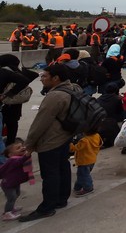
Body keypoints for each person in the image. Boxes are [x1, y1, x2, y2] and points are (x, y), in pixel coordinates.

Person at [19, 64, 78, 222]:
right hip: (65, 136)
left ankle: (47, 207)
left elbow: (41, 123)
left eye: (45, 76)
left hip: (51, 140)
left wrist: (29, 144)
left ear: (56, 78)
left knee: (50, 174)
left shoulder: (54, 96)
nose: (41, 78)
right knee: (62, 168)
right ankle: (61, 199)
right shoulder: (73, 88)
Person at [0, 55, 37, 147]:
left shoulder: (4, 72)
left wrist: (6, 95)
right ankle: (10, 144)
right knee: (12, 124)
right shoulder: (17, 71)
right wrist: (10, 94)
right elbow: (27, 79)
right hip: (14, 103)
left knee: (4, 123)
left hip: (4, 104)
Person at [0, 139, 32, 221]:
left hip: (14, 182)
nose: (22, 148)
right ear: (10, 154)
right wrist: (27, 155)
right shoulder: (12, 160)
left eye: (22, 146)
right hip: (8, 184)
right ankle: (7, 214)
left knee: (17, 194)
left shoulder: (17, 158)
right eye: (18, 148)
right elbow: (19, 162)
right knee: (11, 198)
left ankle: (11, 207)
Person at [69, 131, 102, 197]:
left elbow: (73, 149)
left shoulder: (84, 141)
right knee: (82, 175)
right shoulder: (96, 136)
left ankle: (88, 188)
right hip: (92, 160)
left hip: (84, 162)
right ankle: (77, 188)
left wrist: (69, 143)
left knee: (84, 175)